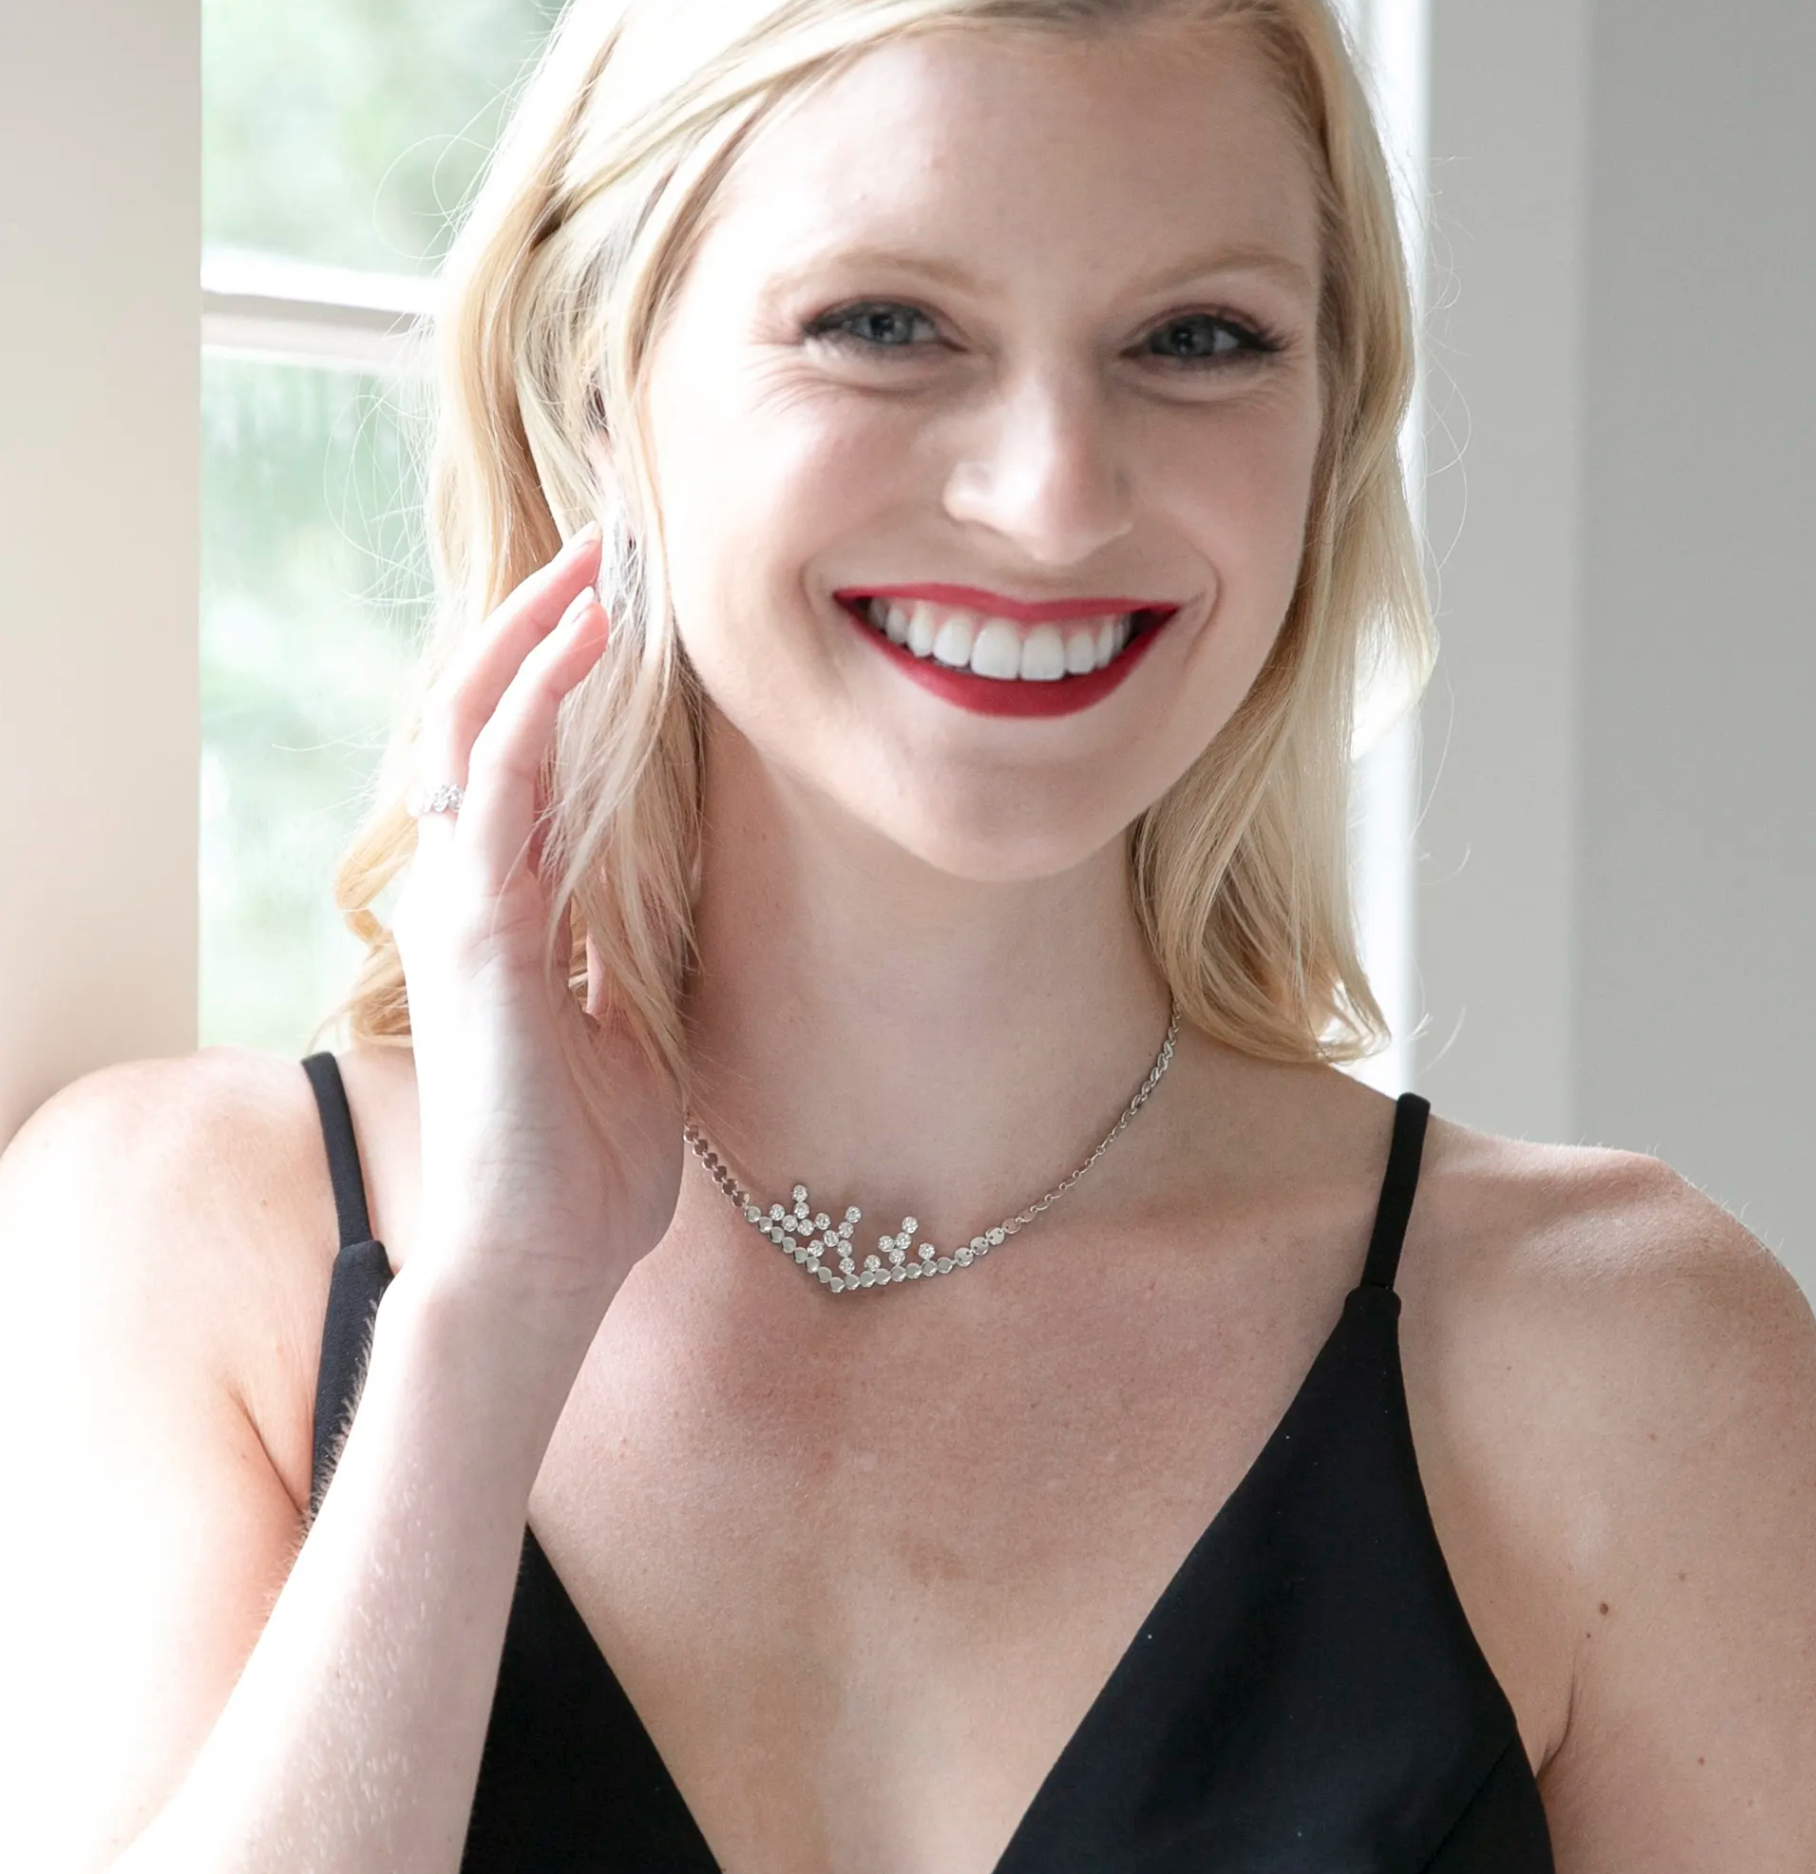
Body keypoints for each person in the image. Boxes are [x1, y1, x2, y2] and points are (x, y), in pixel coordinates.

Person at [2, 0, 1813, 1868]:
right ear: (599, 369)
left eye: (1199, 339)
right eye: (885, 324)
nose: (1052, 497)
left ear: (1331, 423)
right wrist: (486, 1321)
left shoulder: (1636, 1363)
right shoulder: (177, 1245)